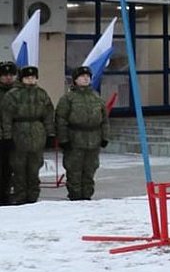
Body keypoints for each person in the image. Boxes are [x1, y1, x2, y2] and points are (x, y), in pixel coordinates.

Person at [54, 66, 110, 201]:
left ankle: (87, 196)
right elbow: (61, 120)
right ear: (75, 80)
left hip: (93, 139)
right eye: (82, 76)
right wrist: (63, 139)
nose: (85, 79)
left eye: (88, 76)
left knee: (90, 169)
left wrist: (105, 137)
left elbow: (104, 119)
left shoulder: (96, 97)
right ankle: (75, 196)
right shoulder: (68, 98)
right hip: (75, 139)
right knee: (74, 170)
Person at [1, 65, 54, 205]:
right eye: (27, 77)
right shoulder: (13, 95)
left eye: (33, 77)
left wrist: (50, 134)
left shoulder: (42, 94)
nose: (30, 80)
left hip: (37, 134)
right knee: (19, 168)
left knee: (34, 168)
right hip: (18, 133)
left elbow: (48, 115)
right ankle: (20, 196)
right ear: (22, 78)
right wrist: (7, 136)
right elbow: (6, 118)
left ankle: (33, 197)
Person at [0, 61, 18, 205]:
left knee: (12, 167)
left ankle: (8, 193)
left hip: (17, 135)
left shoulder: (20, 92)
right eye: (4, 74)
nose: (8, 77)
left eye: (11, 74)